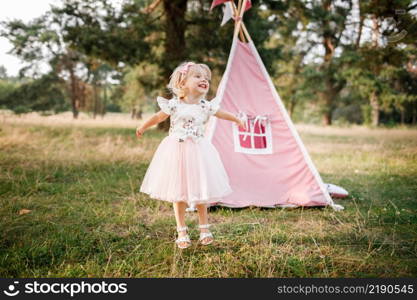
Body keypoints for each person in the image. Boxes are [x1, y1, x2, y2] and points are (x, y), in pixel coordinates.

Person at [136, 61, 246, 249]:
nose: (204, 80)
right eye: (197, 76)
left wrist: (237, 119)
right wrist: (143, 126)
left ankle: (204, 228)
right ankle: (182, 230)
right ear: (182, 82)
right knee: (178, 191)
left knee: (201, 189)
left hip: (198, 152)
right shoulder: (174, 105)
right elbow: (158, 117)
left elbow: (221, 113)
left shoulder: (205, 106)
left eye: (206, 78)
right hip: (176, 151)